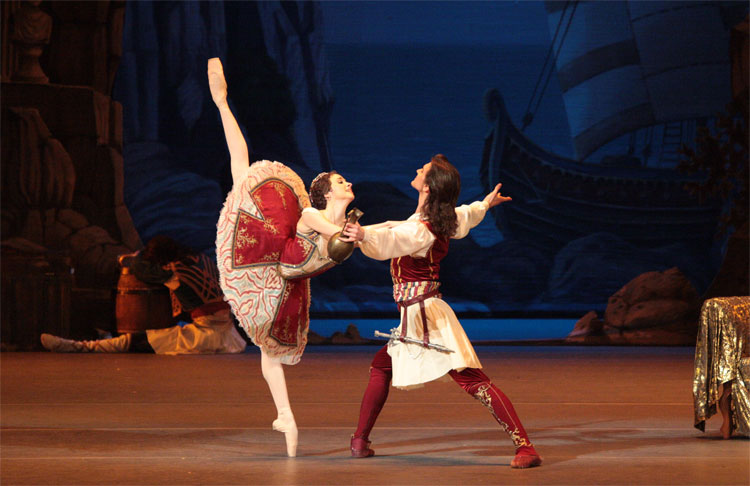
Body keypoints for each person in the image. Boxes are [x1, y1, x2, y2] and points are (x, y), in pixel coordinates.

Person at [341, 154, 542, 468]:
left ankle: (526, 448)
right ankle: (359, 441)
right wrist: (486, 204)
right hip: (415, 316)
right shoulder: (438, 219)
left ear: (429, 188)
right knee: (381, 367)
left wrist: (365, 236)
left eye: (424, 170)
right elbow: (464, 214)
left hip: (426, 319)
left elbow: (398, 238)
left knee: (474, 381)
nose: (418, 168)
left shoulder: (423, 229)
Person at [209, 57, 356, 458]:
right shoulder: (312, 214)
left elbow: (349, 238)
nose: (349, 182)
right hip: (271, 268)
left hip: (286, 282)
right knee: (242, 174)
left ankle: (286, 416)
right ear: (327, 193)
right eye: (341, 181)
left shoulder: (331, 219)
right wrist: (359, 234)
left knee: (269, 352)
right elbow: (334, 233)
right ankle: (222, 104)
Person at [40, 235, 247, 355]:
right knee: (144, 339)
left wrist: (136, 256)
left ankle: (77, 347)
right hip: (229, 333)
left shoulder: (172, 272)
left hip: (207, 337)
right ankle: (93, 341)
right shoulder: (202, 259)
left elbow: (139, 267)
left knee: (137, 340)